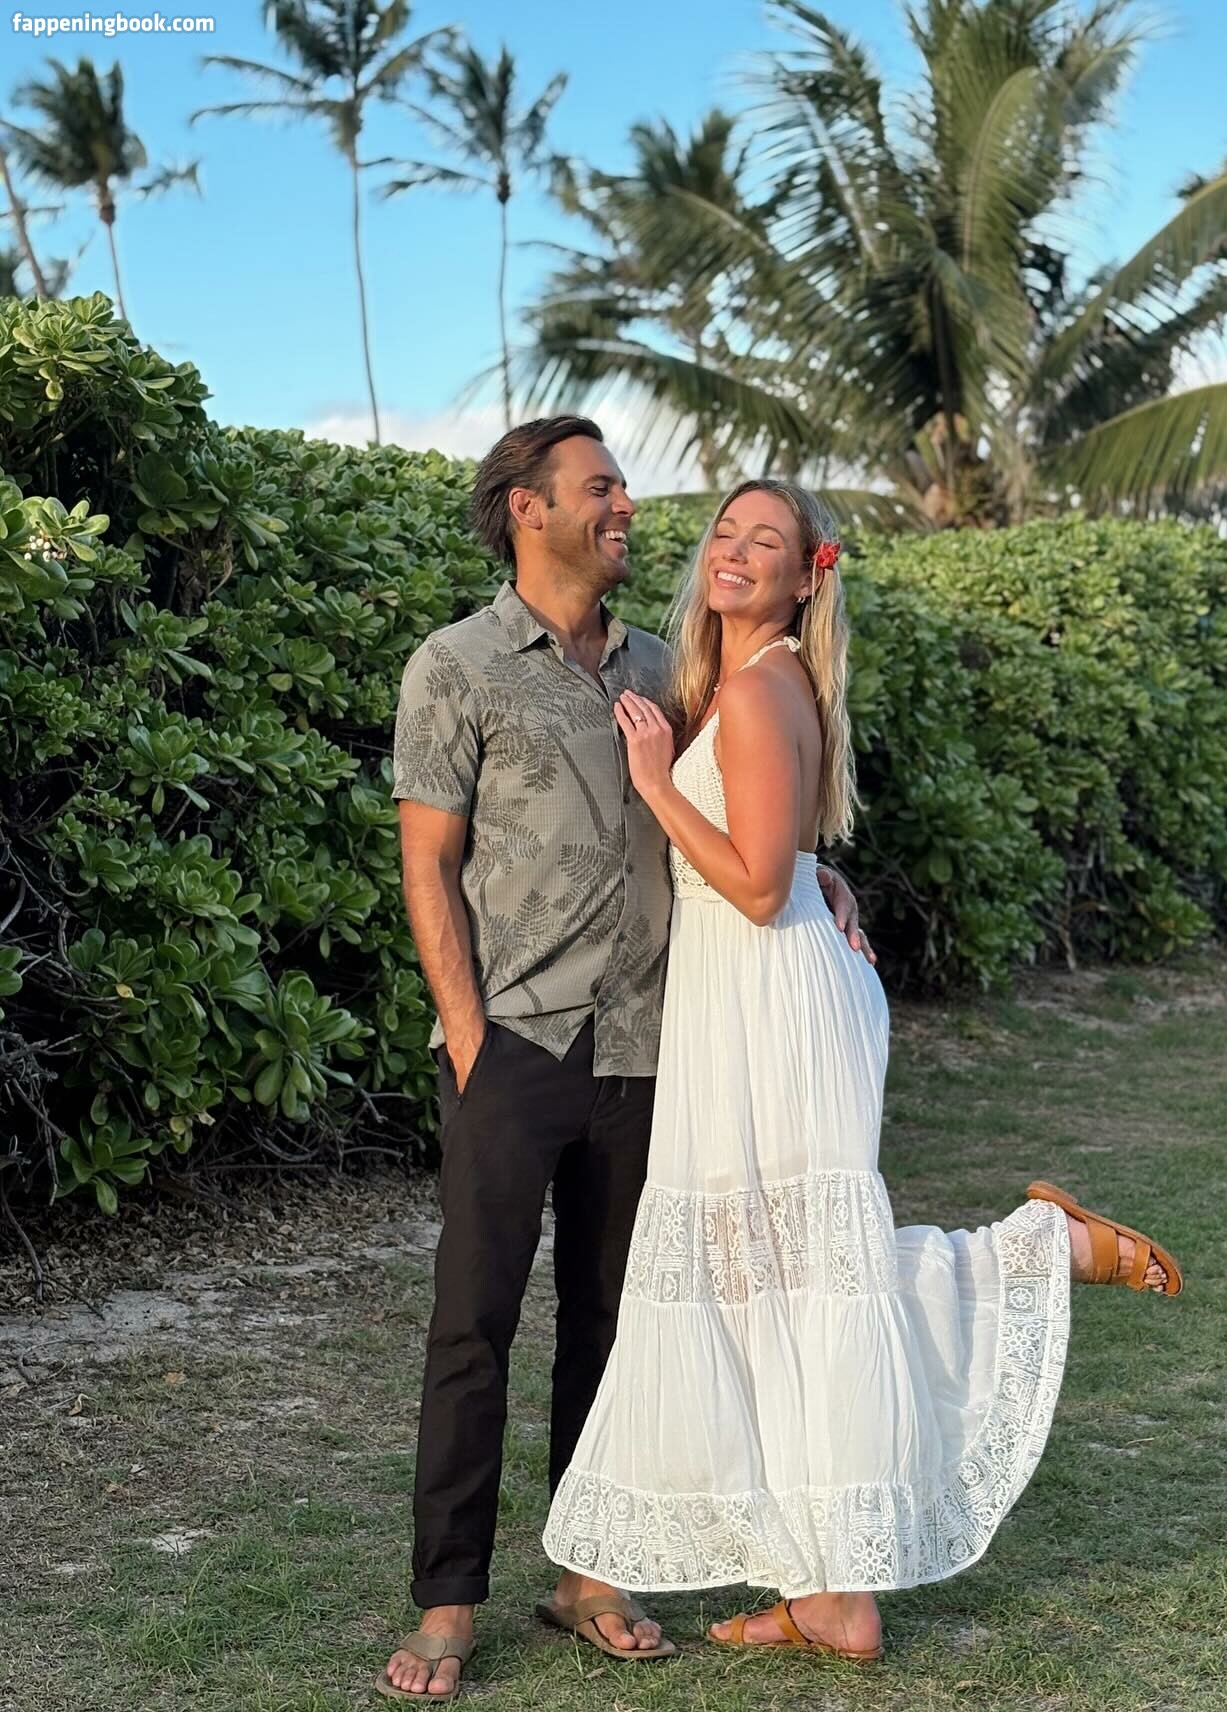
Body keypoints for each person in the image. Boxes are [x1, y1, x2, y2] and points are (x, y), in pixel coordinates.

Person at [542, 478, 1183, 1662]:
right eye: (726, 531)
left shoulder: (756, 687)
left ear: (805, 578)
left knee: (814, 1273)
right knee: (781, 1279)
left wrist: (653, 784)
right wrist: (812, 868)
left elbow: (753, 884)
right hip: (745, 998)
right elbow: (783, 857)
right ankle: (835, 1595)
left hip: (772, 1001)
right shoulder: (745, 681)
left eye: (766, 542)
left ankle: (1045, 1248)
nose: (735, 552)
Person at [377, 421, 873, 1702]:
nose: (627, 506)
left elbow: (739, 801)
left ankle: (587, 1573)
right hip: (513, 1039)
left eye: (624, 488)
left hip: (655, 1045)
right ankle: (447, 1599)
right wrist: (469, 1033)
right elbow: (428, 859)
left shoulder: (671, 664)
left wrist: (815, 873)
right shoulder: (455, 665)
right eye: (600, 487)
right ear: (526, 508)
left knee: (617, 1323)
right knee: (474, 1323)